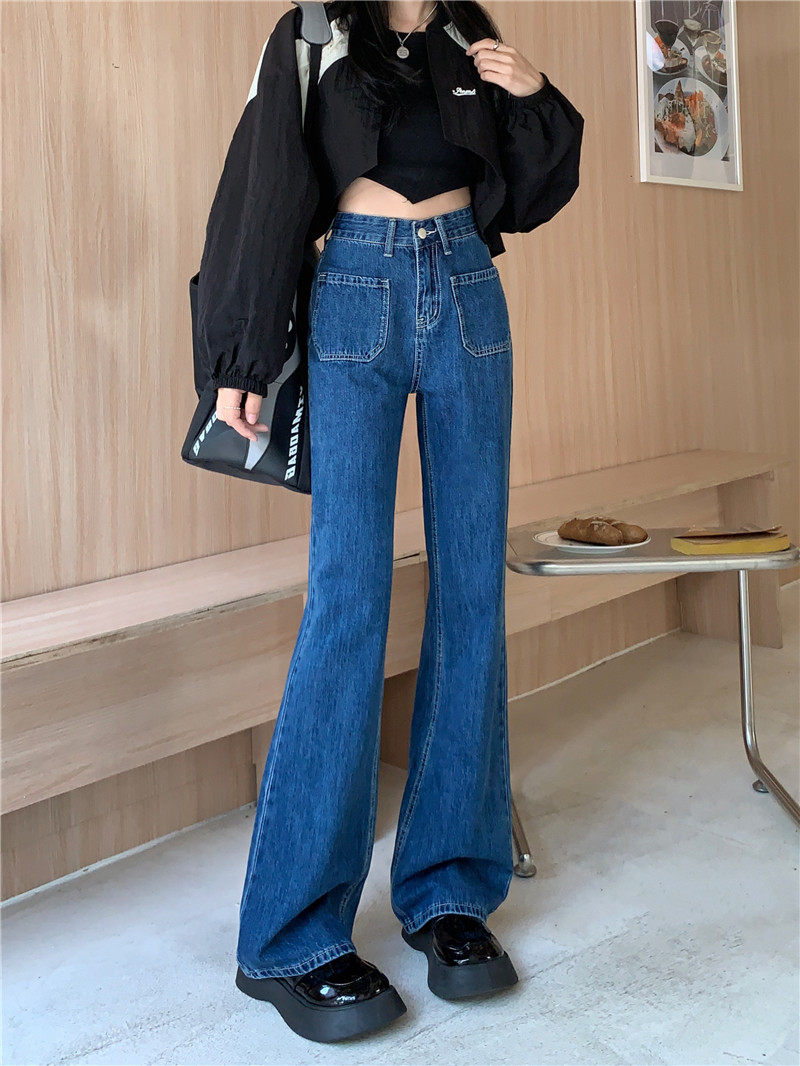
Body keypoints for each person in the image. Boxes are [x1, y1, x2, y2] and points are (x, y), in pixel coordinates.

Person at [194, 0, 584, 1043]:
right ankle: (290, 937)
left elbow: (530, 195)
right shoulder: (313, 30)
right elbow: (263, 184)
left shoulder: (467, 32)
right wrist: (240, 357)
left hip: (467, 288)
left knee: (471, 591)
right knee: (347, 599)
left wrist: (534, 96)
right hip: (353, 286)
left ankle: (450, 890)